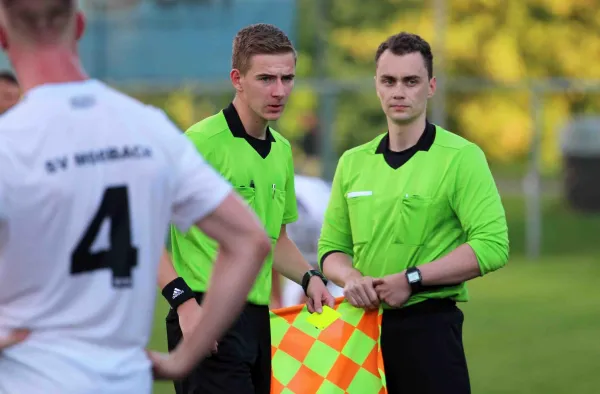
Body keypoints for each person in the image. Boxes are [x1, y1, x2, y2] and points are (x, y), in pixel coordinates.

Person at [0, 1, 271, 393]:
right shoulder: (146, 127)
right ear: (79, 26)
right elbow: (250, 239)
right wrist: (182, 358)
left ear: (4, 38)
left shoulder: (10, 142)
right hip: (126, 378)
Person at [318, 32, 509, 394]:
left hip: (431, 332)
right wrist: (350, 278)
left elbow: (492, 245)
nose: (398, 91)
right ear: (376, 85)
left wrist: (412, 279)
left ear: (431, 86)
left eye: (411, 81)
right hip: (361, 330)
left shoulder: (461, 157)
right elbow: (330, 248)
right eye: (388, 81)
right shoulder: (352, 162)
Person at [161, 23, 335, 394]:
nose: (279, 91)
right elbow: (142, 229)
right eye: (266, 78)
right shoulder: (200, 142)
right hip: (204, 315)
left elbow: (275, 239)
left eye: (287, 78)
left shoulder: (283, 150)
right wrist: (183, 304)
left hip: (260, 321)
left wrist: (309, 277)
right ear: (237, 79)